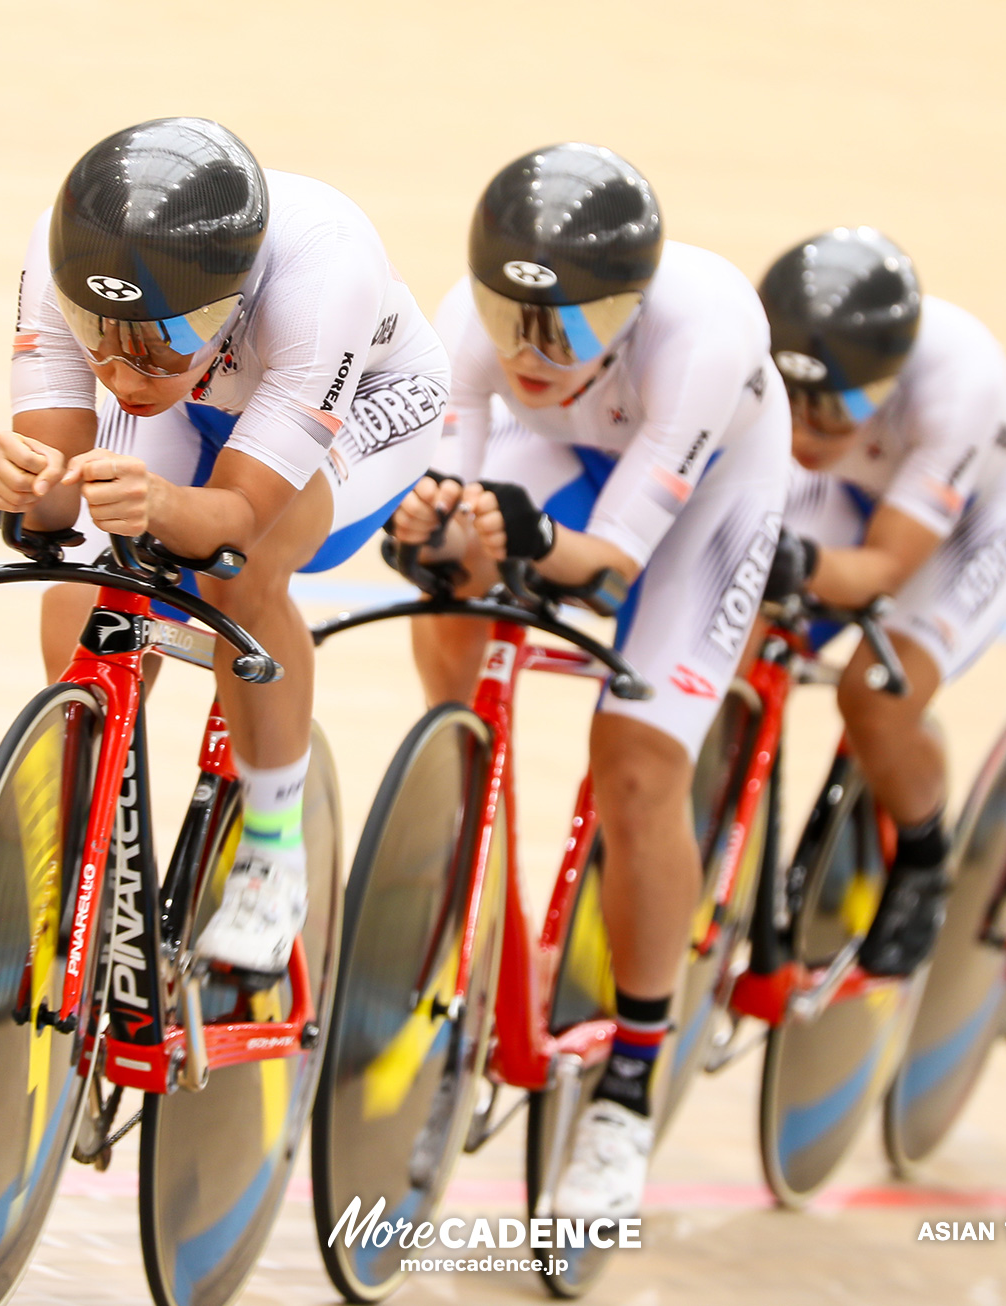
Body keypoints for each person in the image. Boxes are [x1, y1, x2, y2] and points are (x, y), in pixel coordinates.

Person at [388, 143, 790, 1219]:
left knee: (639, 768)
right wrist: (433, 532)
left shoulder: (704, 336)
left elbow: (609, 567)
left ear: (628, 308)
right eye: (510, 316)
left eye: (564, 326)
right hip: (563, 450)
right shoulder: (473, 330)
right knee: (453, 587)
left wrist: (508, 531)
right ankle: (464, 841)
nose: (529, 349)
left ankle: (626, 1088)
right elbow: (449, 492)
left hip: (707, 487)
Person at [0, 117, 449, 976]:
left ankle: (273, 853)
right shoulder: (66, 255)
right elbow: (53, 491)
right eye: (100, 343)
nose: (118, 377)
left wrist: (162, 502)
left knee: (242, 580)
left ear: (227, 308)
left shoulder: (324, 273)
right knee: (88, 586)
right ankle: (86, 834)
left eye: (155, 347)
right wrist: (23, 485)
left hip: (364, 401)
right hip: (206, 398)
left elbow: (234, 521)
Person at [763, 226, 1006, 975]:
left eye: (829, 412)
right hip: (852, 485)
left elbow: (884, 567)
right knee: (740, 628)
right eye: (790, 402)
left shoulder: (958, 385)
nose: (802, 428)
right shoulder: (781, 381)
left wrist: (793, 561)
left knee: (876, 697)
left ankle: (925, 857)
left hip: (972, 515)